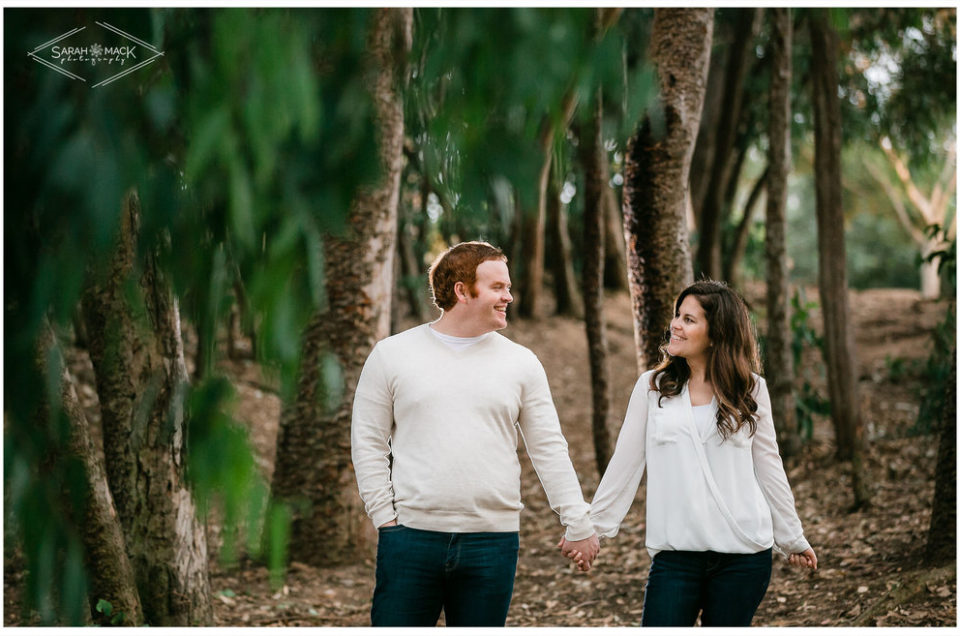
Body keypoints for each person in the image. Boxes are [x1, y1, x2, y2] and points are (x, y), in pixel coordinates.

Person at [352, 241, 599, 627]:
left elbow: (548, 447)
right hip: (412, 538)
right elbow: (367, 441)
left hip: (493, 542)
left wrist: (578, 522)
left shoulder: (521, 363)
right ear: (462, 291)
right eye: (498, 287)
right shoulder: (392, 355)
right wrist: (385, 518)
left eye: (509, 287)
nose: (509, 297)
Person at [561, 280, 817, 627]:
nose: (675, 325)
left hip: (743, 556)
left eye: (689, 319)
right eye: (677, 316)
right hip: (676, 557)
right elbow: (625, 464)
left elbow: (768, 466)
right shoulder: (653, 387)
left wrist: (791, 537)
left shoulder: (751, 389)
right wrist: (594, 529)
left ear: (716, 334)